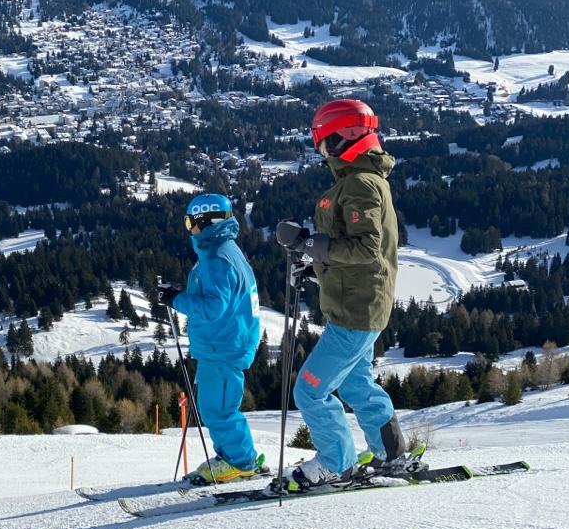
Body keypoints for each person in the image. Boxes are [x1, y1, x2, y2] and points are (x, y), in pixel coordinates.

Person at [276, 98, 408, 490]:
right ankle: (390, 452)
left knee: (310, 390)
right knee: (355, 384)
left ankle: (337, 463)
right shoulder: (359, 180)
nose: (321, 151)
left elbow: (367, 249)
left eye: (324, 143)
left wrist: (313, 244)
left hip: (355, 311)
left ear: (346, 137)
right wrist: (312, 261)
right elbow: (353, 254)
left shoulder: (362, 184)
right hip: (360, 305)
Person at [158, 193, 264, 484]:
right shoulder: (223, 250)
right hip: (225, 342)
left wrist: (176, 299)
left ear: (207, 222)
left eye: (190, 222)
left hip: (224, 346)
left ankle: (241, 461)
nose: (189, 228)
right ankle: (231, 455)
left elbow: (212, 308)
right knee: (213, 406)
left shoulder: (217, 259)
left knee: (218, 409)